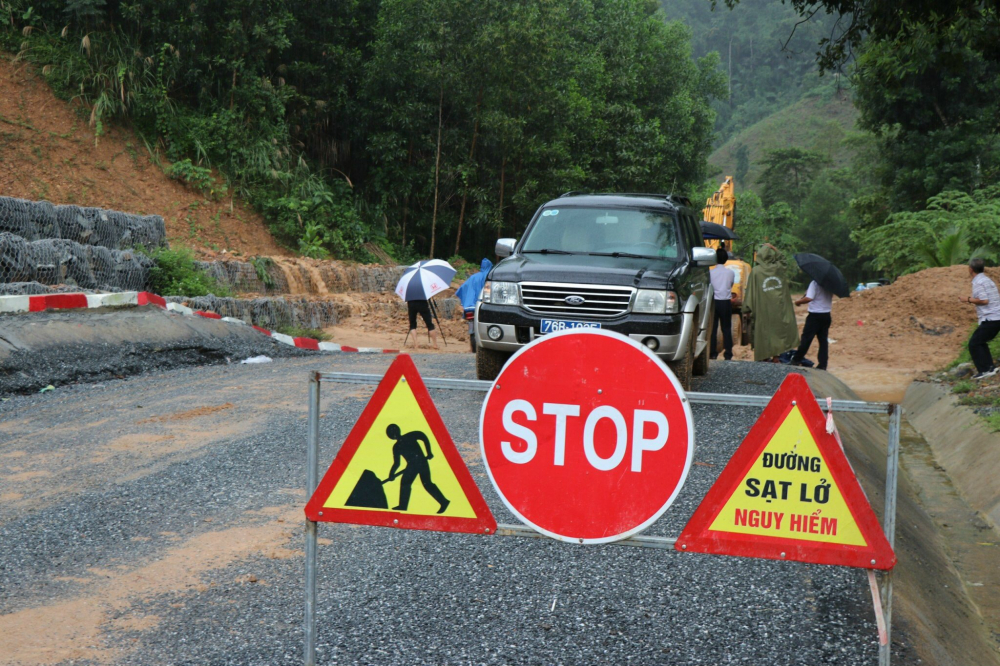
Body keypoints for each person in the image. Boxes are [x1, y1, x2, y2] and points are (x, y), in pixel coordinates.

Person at [742, 243, 799, 362]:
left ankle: (764, 356)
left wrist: (747, 308)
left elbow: (751, 290)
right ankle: (776, 356)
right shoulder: (778, 268)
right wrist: (775, 248)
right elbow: (784, 261)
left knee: (763, 331)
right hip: (778, 309)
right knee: (778, 332)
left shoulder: (756, 271)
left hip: (762, 308)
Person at [385, 423, 450, 513]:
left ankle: (444, 502)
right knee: (406, 482)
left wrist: (429, 452)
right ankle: (403, 506)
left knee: (426, 483)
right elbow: (397, 463)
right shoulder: (396, 447)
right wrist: (391, 474)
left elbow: (423, 436)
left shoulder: (410, 436)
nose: (394, 435)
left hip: (421, 461)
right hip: (412, 465)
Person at [960, 258, 1000, 379]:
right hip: (996, 317)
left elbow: (984, 300)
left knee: (974, 344)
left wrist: (967, 299)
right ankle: (989, 368)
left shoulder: (978, 282)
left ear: (970, 269)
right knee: (980, 342)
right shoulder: (988, 280)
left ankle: (984, 370)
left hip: (991, 318)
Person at [790, 279, 833, 370]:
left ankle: (796, 360)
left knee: (806, 338)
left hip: (815, 315)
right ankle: (823, 364)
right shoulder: (830, 283)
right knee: (823, 341)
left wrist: (798, 302)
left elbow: (809, 298)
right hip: (826, 315)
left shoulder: (814, 283)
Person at [710, 248, 736, 361]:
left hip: (714, 302)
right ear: (726, 259)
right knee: (726, 328)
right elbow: (730, 286)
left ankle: (712, 353)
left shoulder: (710, 273)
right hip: (725, 302)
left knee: (713, 329)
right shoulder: (730, 273)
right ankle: (728, 353)